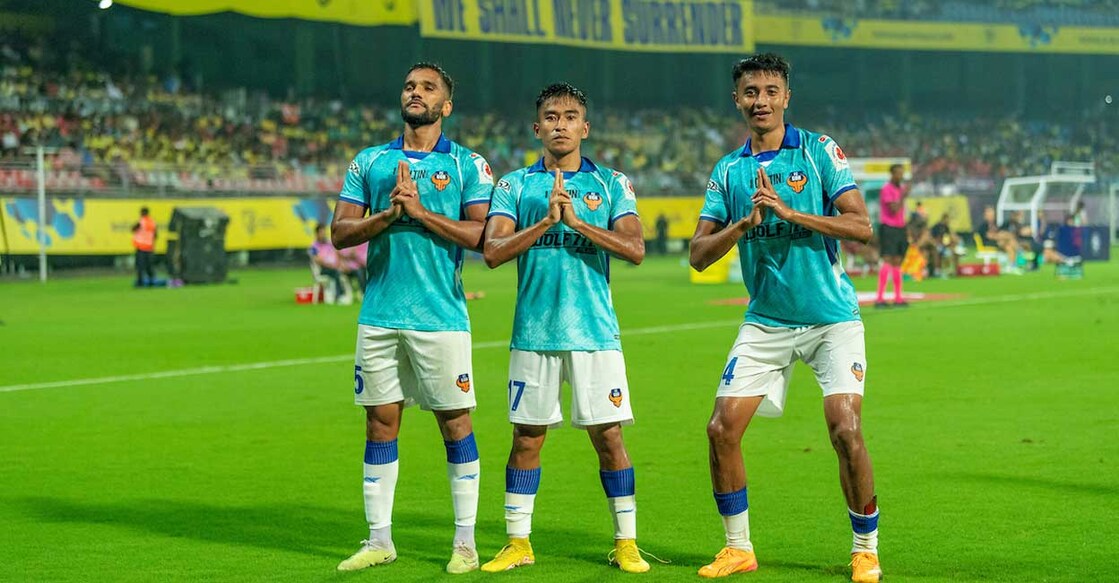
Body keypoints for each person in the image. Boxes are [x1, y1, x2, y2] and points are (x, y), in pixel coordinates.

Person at [689, 54, 882, 583]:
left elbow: (861, 226)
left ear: (786, 97)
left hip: (830, 319)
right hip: (767, 321)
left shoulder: (818, 151)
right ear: (737, 99)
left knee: (845, 428)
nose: (761, 101)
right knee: (721, 429)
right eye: (751, 91)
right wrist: (741, 225)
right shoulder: (728, 171)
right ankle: (738, 548)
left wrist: (792, 214)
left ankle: (865, 549)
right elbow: (698, 255)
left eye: (771, 91)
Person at [329, 62, 494, 575]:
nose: (415, 93)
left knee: (455, 423)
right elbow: (340, 234)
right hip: (379, 314)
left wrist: (420, 213)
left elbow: (484, 237)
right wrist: (388, 216)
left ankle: (465, 543)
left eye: (427, 88)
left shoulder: (468, 164)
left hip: (441, 317)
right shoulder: (370, 161)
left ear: (447, 105)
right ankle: (380, 540)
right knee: (380, 422)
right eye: (408, 86)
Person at [480, 83, 650, 574]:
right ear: (537, 128)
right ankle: (518, 542)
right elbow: (492, 252)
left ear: (585, 127)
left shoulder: (612, 183)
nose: (560, 124)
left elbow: (634, 249)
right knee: (526, 438)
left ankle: (626, 542)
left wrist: (575, 222)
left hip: (594, 333)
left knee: (609, 437)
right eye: (551, 117)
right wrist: (544, 223)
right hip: (534, 333)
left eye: (570, 116)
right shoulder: (514, 185)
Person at [875, 163, 908, 307]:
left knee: (897, 261)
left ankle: (898, 298)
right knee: (888, 260)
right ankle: (880, 298)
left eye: (902, 173)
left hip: (900, 228)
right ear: (892, 174)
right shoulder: (887, 189)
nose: (901, 176)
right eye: (898, 173)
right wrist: (903, 196)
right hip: (888, 227)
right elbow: (894, 209)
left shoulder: (900, 189)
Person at [310, 222, 352, 304]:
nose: (323, 234)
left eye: (324, 232)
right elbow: (317, 260)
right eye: (321, 232)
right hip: (323, 269)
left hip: (334, 267)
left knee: (343, 271)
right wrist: (330, 265)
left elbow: (337, 254)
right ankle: (339, 295)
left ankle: (351, 293)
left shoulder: (329, 243)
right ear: (317, 234)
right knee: (336, 272)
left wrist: (340, 264)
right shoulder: (314, 246)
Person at [131, 206, 157, 287]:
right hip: (150, 247)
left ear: (142, 213)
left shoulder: (141, 222)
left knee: (140, 267)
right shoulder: (153, 222)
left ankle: (140, 282)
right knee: (149, 266)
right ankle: (152, 281)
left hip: (141, 247)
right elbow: (155, 235)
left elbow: (133, 229)